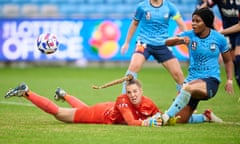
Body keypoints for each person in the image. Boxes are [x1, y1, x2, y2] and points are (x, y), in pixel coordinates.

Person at [161, 7, 234, 124]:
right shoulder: (189, 35)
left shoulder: (219, 38)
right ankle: (206, 117)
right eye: (193, 20)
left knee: (186, 88)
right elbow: (166, 42)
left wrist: (229, 80)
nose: (193, 24)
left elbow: (228, 61)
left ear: (206, 23)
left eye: (197, 21)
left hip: (210, 80)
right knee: (179, 120)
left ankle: (165, 116)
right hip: (191, 80)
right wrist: (179, 40)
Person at [4, 79, 163, 127]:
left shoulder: (148, 102)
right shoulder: (123, 100)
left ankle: (63, 94)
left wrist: (164, 118)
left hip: (106, 109)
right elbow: (131, 122)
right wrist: (149, 122)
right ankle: (26, 92)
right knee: (59, 114)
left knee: (84, 109)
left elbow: (159, 115)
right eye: (129, 92)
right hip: (100, 115)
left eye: (135, 92)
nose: (133, 95)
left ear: (142, 91)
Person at [120, 0, 187, 93]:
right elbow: (134, 24)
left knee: (178, 75)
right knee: (133, 67)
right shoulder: (142, 7)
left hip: (163, 44)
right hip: (143, 43)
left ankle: (186, 104)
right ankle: (124, 101)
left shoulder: (170, 7)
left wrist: (186, 38)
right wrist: (126, 42)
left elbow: (181, 23)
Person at [198, 0, 240, 88]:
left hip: (237, 30)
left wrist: (219, 32)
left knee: (238, 57)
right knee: (234, 62)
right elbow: (203, 9)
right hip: (229, 32)